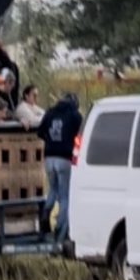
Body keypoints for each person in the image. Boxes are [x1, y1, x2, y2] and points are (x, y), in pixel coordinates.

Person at [41, 93, 82, 244]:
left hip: (49, 156)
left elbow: (40, 132)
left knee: (52, 189)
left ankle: (45, 213)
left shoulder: (50, 112)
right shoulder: (75, 115)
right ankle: (60, 228)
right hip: (65, 157)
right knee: (65, 196)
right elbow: (80, 135)